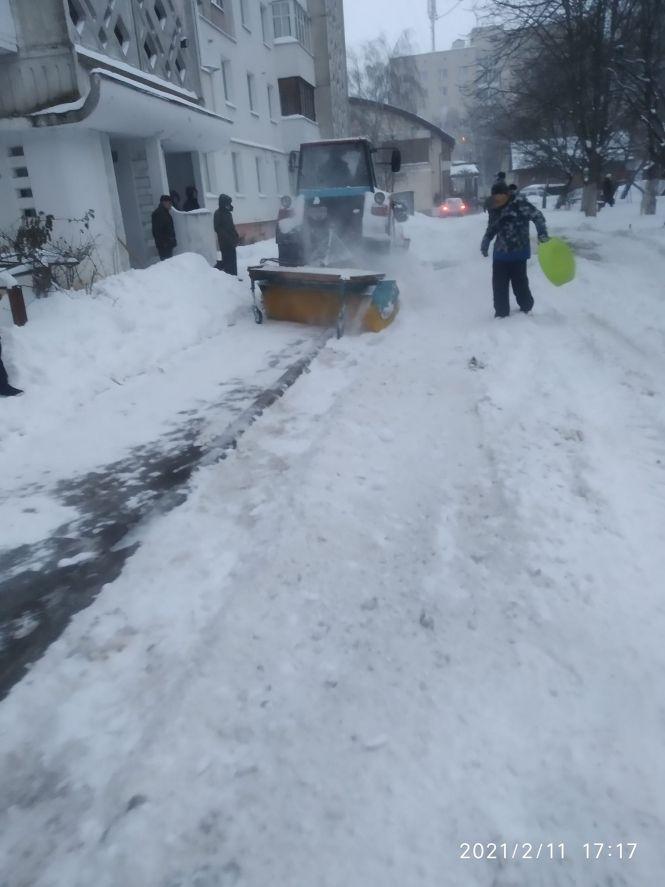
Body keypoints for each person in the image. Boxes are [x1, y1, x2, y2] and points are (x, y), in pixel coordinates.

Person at [480, 180, 549, 318]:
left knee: (520, 283)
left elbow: (538, 216)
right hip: (500, 254)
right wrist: (486, 240)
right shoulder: (494, 207)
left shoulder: (520, 204)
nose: (498, 199)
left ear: (506, 194)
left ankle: (526, 308)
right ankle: (501, 313)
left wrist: (542, 233)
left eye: (500, 196)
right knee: (499, 286)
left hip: (519, 253)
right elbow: (493, 226)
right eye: (495, 197)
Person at [213, 194, 240, 276]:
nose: (229, 205)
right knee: (227, 260)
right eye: (227, 203)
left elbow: (232, 226)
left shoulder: (228, 213)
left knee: (233, 259)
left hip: (231, 241)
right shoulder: (218, 213)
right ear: (223, 203)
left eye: (229, 203)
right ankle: (228, 277)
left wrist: (236, 236)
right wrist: (227, 237)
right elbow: (217, 228)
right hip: (224, 242)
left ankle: (234, 277)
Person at [151, 194, 177, 261]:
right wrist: (164, 243)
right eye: (169, 203)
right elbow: (157, 231)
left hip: (167, 244)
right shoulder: (159, 214)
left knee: (169, 262)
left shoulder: (165, 213)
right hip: (164, 245)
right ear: (164, 202)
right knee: (166, 262)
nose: (171, 205)